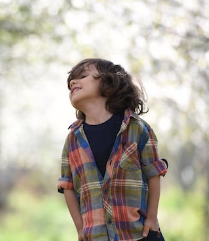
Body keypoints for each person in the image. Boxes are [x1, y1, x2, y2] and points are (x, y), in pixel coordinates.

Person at [57, 58, 168, 241]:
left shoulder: (137, 128)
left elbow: (154, 172)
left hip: (139, 234)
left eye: (83, 76)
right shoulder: (72, 140)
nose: (72, 83)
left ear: (109, 84)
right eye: (70, 84)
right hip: (96, 236)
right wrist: (80, 228)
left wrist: (151, 217)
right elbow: (67, 186)